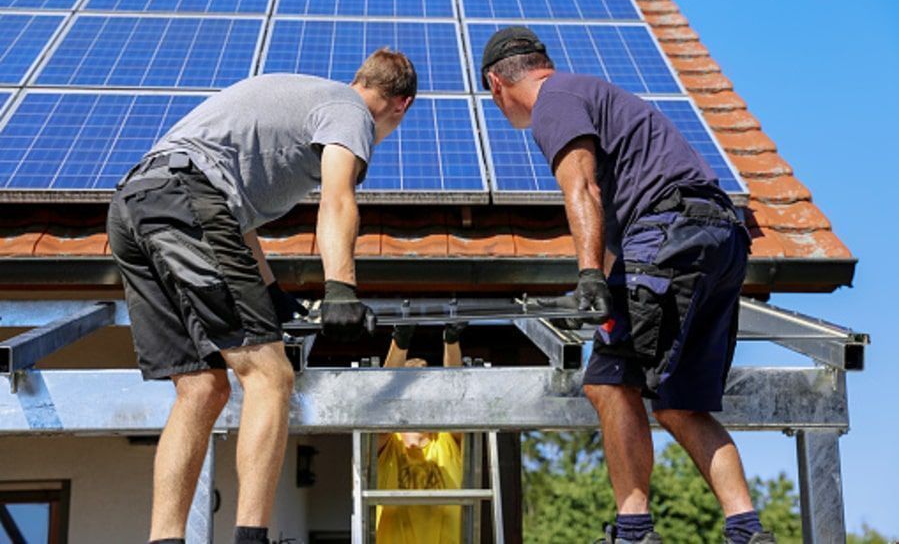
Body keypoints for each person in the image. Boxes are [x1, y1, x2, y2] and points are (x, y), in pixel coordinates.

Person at [106, 48, 417, 544]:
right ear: (399, 106)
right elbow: (338, 198)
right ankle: (251, 539)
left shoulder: (300, 98)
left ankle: (165, 538)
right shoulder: (351, 111)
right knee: (271, 377)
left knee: (201, 389)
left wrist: (271, 293)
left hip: (133, 206)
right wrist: (340, 288)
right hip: (186, 201)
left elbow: (233, 220)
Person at [480, 27, 774, 544]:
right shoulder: (593, 95)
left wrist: (590, 279)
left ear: (495, 84)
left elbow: (582, 185)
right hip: (719, 241)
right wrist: (610, 278)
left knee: (609, 381)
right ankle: (747, 530)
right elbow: (622, 230)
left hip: (670, 237)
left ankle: (635, 531)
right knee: (681, 404)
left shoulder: (556, 101)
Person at [375, 323, 467, 544]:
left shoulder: (447, 439)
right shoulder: (388, 441)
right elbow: (382, 406)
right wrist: (399, 342)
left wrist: (451, 341)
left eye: (427, 391)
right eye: (412, 391)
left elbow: (456, 398)